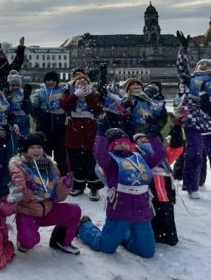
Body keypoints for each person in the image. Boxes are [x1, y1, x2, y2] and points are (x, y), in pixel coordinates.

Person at [78, 126, 165, 258]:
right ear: (111, 146)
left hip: (142, 211)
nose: (123, 145)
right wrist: (101, 135)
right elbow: (100, 154)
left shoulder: (140, 158)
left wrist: (152, 135)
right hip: (120, 210)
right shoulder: (110, 162)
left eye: (125, 142)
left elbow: (159, 155)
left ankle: (123, 236)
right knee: (105, 248)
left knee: (147, 252)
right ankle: (84, 226)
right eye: (118, 143)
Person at [9, 133, 80, 255]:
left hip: (48, 210)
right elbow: (19, 185)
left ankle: (60, 240)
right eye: (32, 147)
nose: (36, 150)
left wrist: (65, 185)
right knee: (28, 243)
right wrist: (26, 190)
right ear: (26, 150)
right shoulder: (19, 166)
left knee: (74, 211)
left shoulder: (51, 166)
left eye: (39, 147)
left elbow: (58, 197)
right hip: (28, 212)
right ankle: (25, 239)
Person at [175, 31, 211, 199]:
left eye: (207, 65)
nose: (203, 66)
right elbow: (182, 67)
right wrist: (183, 49)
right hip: (193, 122)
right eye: (201, 65)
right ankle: (191, 185)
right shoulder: (189, 80)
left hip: (209, 123)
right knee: (195, 154)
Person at [61, 72, 104, 201]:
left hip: (89, 128)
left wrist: (89, 96)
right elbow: (64, 105)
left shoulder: (93, 94)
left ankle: (94, 187)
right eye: (78, 82)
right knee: (76, 158)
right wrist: (75, 96)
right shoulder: (70, 92)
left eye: (84, 81)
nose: (81, 83)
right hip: (74, 127)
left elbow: (98, 109)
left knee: (90, 158)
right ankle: (78, 185)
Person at [134, 133, 178, 246]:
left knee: (167, 213)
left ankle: (169, 236)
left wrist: (177, 129)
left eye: (146, 139)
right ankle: (155, 235)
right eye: (140, 140)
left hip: (166, 190)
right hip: (151, 190)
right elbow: (154, 158)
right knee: (153, 213)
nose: (144, 141)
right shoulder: (138, 156)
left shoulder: (164, 154)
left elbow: (176, 149)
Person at [31, 71, 67, 174]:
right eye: (48, 80)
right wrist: (39, 117)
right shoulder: (40, 92)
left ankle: (61, 174)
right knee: (44, 150)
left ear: (57, 81)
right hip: (45, 124)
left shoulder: (62, 91)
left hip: (59, 124)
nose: (51, 82)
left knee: (60, 152)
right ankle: (43, 173)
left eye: (53, 80)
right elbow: (34, 107)